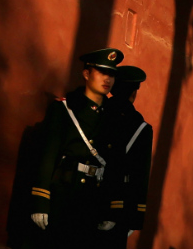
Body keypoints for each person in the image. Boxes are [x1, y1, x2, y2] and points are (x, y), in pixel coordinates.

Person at [26, 48, 126, 249]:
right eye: (102, 72)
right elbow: (47, 157)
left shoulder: (114, 118)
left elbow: (116, 167)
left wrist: (112, 209)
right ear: (86, 74)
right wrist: (40, 201)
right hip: (63, 196)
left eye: (112, 74)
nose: (108, 79)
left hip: (94, 201)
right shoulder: (64, 109)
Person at [102, 65, 153, 248]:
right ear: (133, 92)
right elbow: (140, 176)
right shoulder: (142, 129)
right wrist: (135, 218)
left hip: (85, 196)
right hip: (119, 206)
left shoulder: (97, 112)